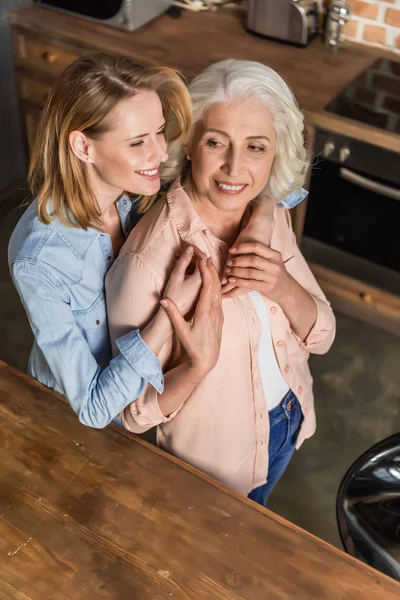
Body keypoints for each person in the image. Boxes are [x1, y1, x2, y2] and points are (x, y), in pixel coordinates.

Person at [107, 58, 336, 505]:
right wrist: (197, 367)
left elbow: (322, 336)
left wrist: (281, 283)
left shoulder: (268, 216)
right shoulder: (148, 263)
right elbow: (127, 414)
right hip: (212, 467)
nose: (235, 168)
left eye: (256, 147)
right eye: (217, 142)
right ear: (189, 142)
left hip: (288, 419)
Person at [8, 52, 224, 429]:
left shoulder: (131, 189)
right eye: (138, 142)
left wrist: (263, 217)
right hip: (71, 425)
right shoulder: (39, 260)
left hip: (146, 400)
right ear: (83, 148)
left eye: (159, 131)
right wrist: (169, 313)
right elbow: (93, 409)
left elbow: (262, 178)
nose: (160, 152)